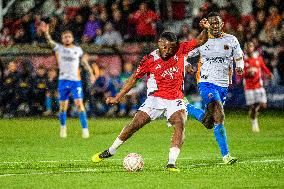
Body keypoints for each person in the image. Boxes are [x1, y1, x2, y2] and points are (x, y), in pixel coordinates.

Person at [91, 18, 210, 172]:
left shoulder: (181, 49)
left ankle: (171, 163)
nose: (169, 50)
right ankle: (110, 151)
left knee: (180, 123)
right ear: (160, 43)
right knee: (135, 125)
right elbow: (134, 78)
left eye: (172, 48)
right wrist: (118, 97)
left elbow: (201, 39)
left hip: (175, 98)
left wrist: (206, 28)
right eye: (166, 47)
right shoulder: (150, 59)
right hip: (155, 98)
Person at [185, 12, 244, 164]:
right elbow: (184, 54)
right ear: (208, 25)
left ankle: (186, 107)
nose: (215, 26)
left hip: (223, 84)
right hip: (206, 82)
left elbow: (238, 56)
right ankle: (226, 156)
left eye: (218, 23)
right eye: (212, 23)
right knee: (219, 115)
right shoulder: (202, 41)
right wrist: (186, 65)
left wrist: (240, 67)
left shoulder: (231, 40)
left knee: (209, 122)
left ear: (222, 24)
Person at [39, 22, 95, 138]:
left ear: (72, 38)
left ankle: (85, 130)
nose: (67, 38)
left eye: (69, 37)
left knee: (79, 105)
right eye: (65, 37)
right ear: (62, 39)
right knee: (63, 107)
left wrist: (91, 73)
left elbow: (84, 62)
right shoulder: (59, 48)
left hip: (76, 81)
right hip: (63, 81)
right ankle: (63, 128)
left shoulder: (78, 50)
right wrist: (46, 33)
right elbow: (50, 42)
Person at [243, 42, 272, 132]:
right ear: (245, 49)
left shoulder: (258, 58)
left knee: (263, 105)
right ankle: (254, 123)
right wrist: (247, 73)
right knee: (252, 107)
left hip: (259, 85)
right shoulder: (243, 60)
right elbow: (239, 74)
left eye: (250, 46)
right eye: (247, 47)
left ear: (253, 48)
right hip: (249, 87)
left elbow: (263, 67)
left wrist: (269, 73)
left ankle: (254, 113)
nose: (249, 48)